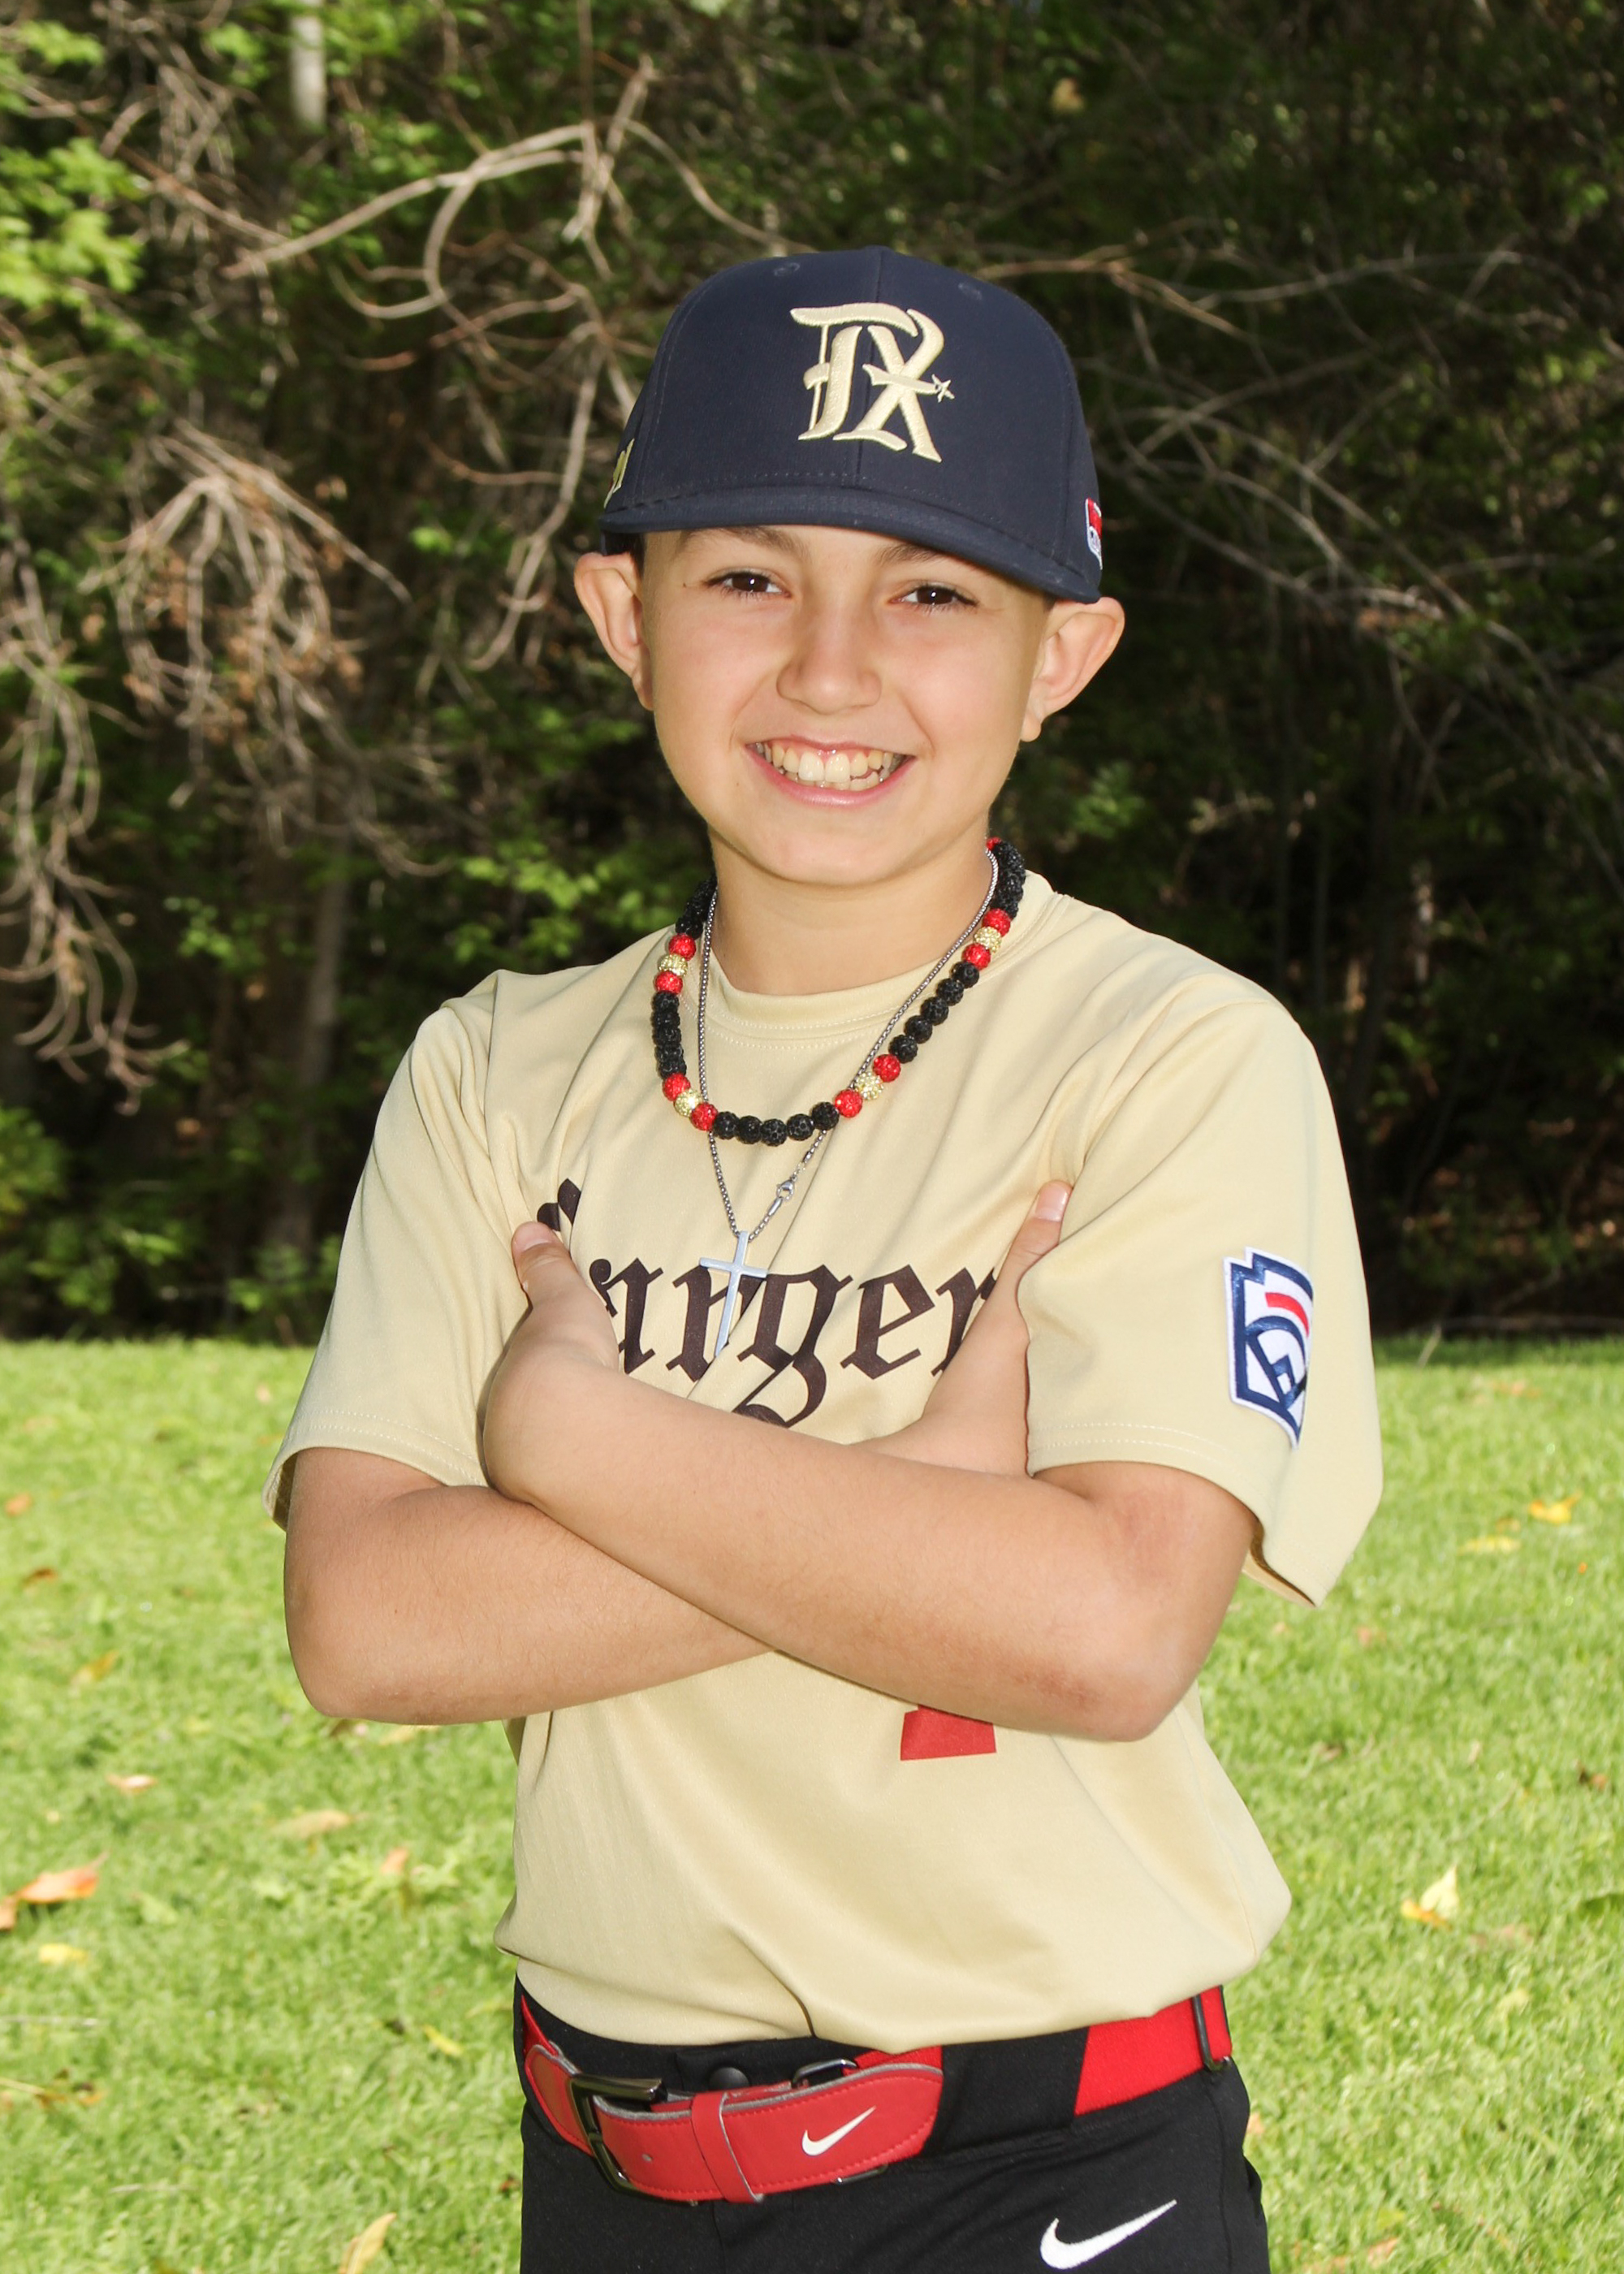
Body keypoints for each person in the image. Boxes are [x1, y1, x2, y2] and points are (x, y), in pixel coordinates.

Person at [272, 246, 1382, 2274]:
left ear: (1062, 654)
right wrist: (915, 1496)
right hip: (604, 2170)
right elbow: (369, 1620)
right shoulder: (497, 1067)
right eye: (748, 575)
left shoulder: (1169, 1054)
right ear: (626, 615)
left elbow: (1103, 1626)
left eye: (934, 592)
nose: (832, 668)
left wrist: (573, 1436)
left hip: (1046, 2159)